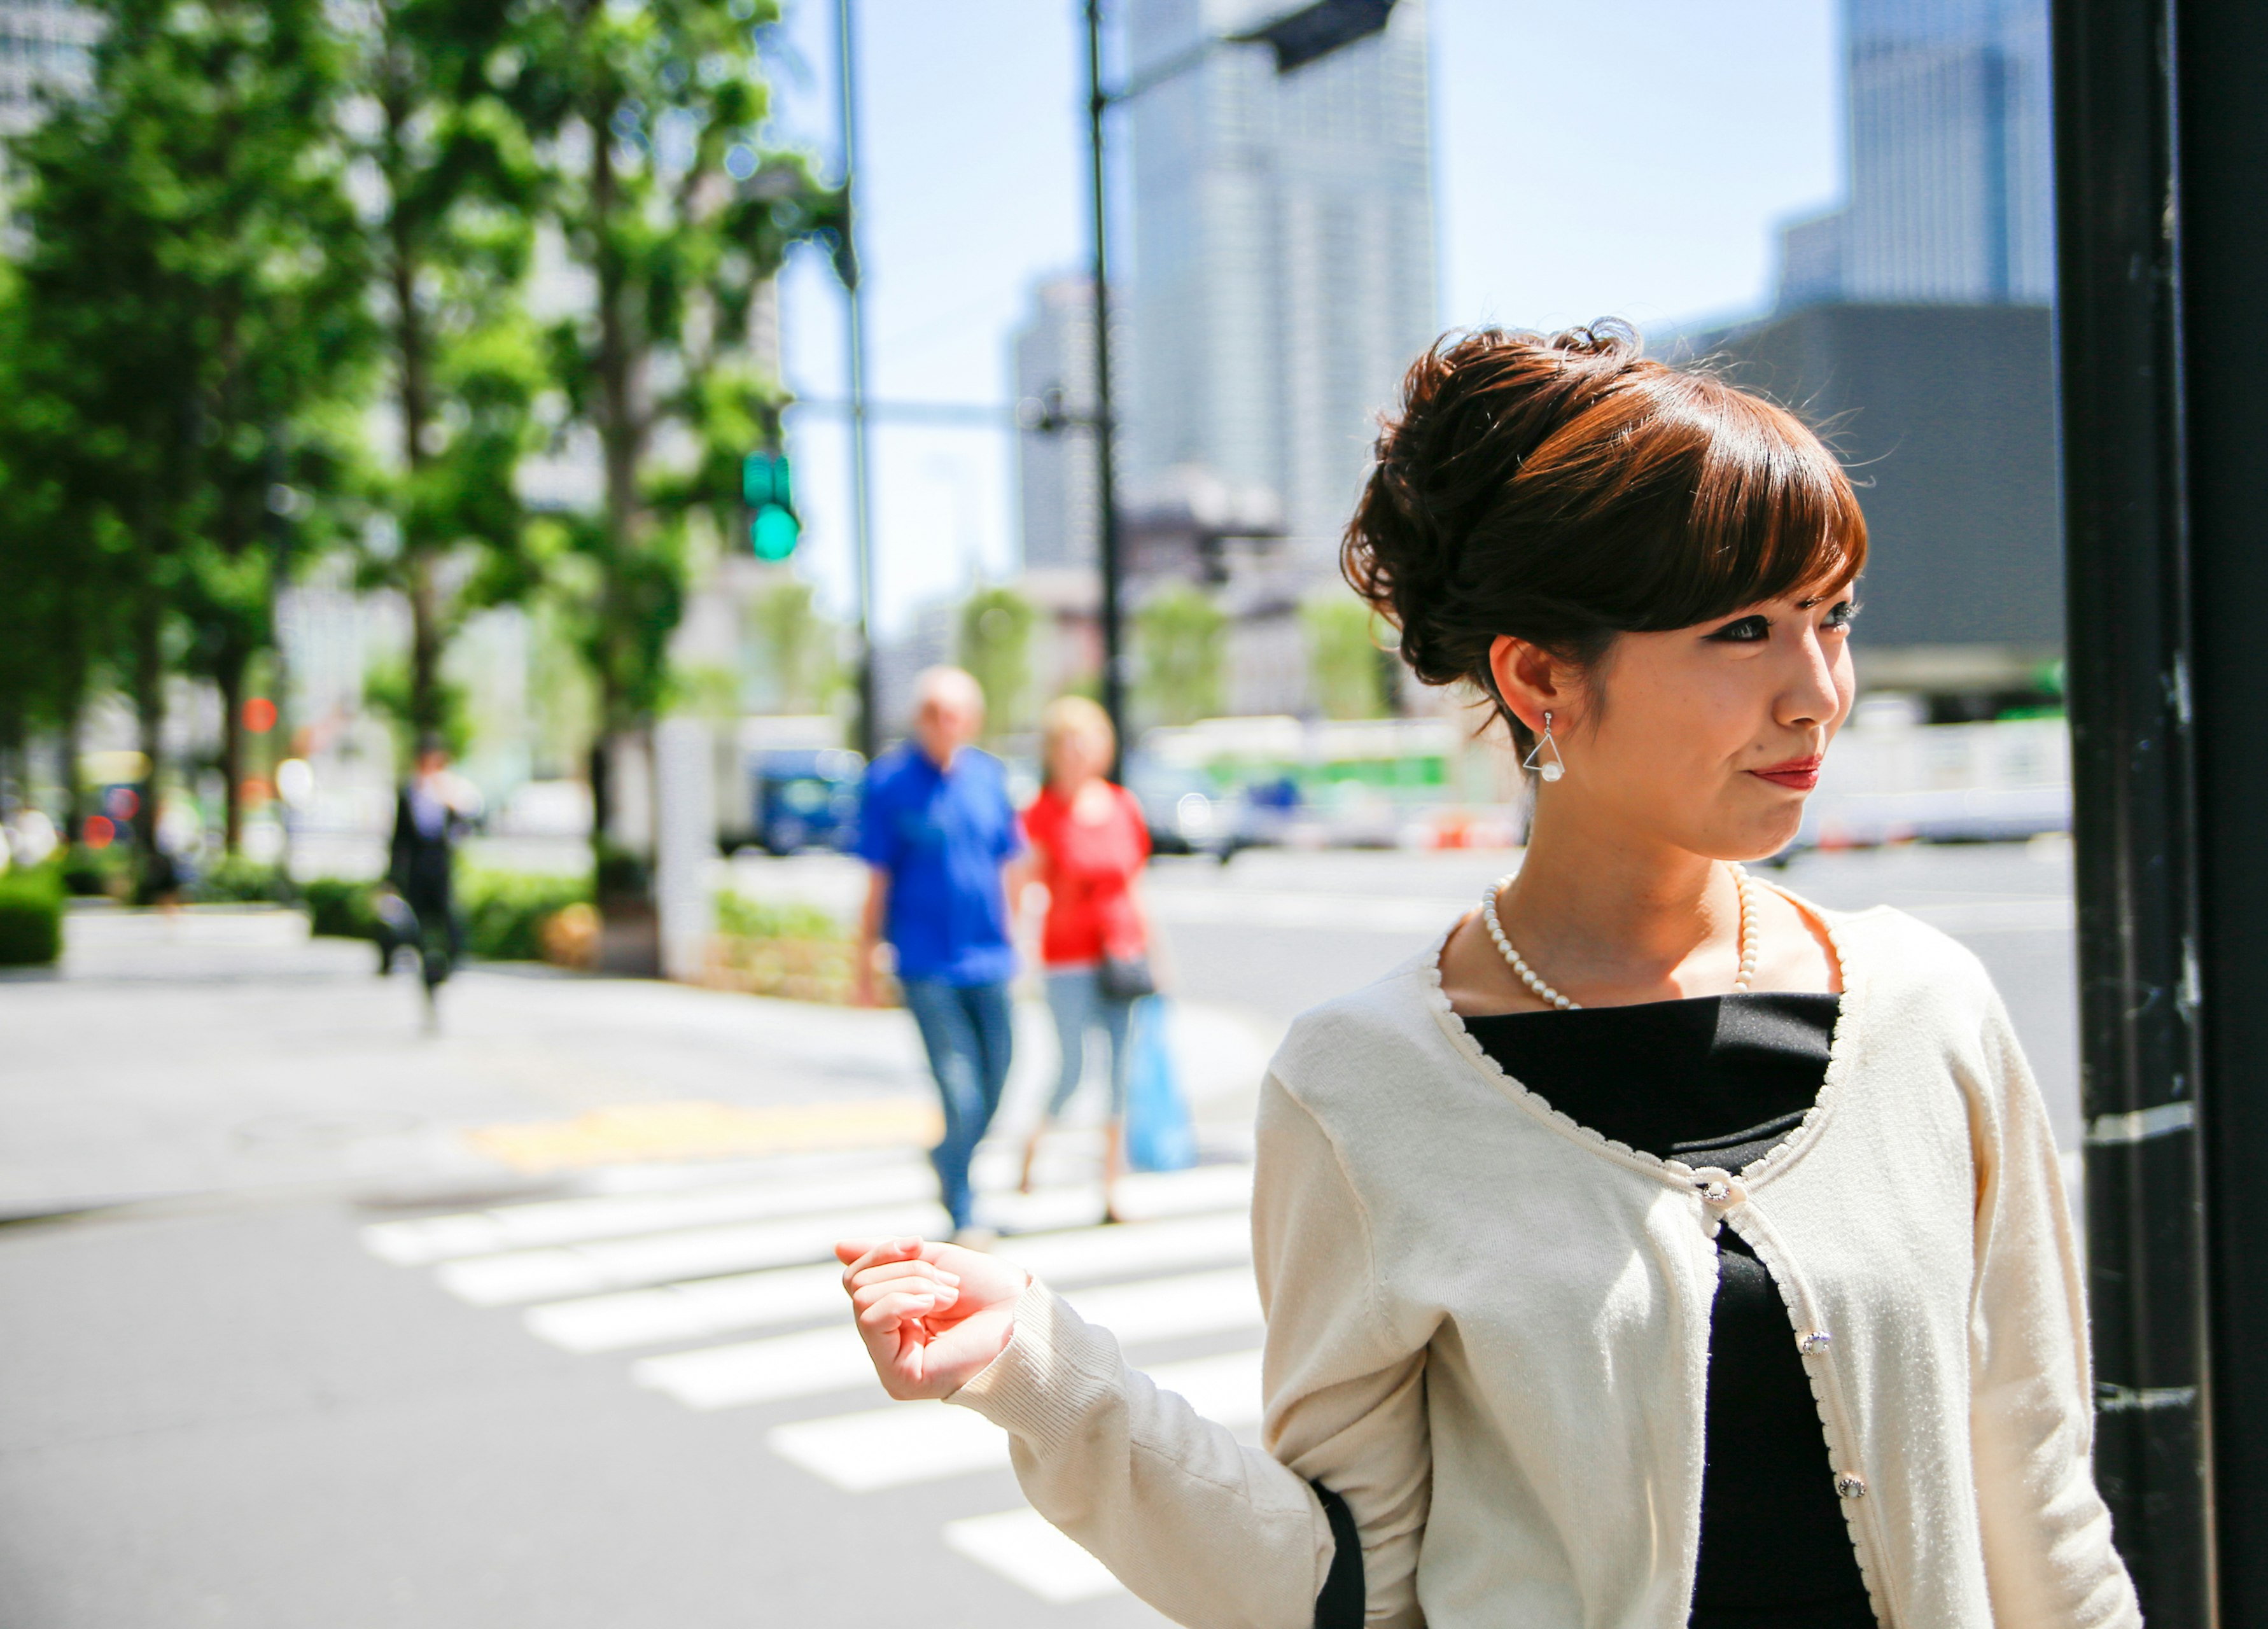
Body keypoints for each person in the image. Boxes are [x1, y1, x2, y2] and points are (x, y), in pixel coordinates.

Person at [836, 325, 2139, 1629]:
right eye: (1746, 628)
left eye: (1832, 615)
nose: (1818, 691)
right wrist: (1050, 1377)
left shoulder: (1927, 1009)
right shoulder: (1366, 1083)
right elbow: (1343, 1580)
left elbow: (2040, 1509)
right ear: (1541, 677)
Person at [855, 667, 1025, 1247]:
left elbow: (1009, 864)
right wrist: (864, 961)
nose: (941, 723)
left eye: (952, 713)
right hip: (926, 962)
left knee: (1001, 1079)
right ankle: (962, 1205)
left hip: (991, 959)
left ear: (971, 720)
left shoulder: (989, 778)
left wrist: (1019, 935)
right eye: (930, 712)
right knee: (960, 1088)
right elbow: (876, 879)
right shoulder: (888, 784)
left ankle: (947, 1160)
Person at [1013, 696, 1154, 1219]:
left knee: (1120, 1070)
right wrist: (1022, 954)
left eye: (1085, 740)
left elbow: (1137, 887)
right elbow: (1027, 888)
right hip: (1066, 955)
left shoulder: (1121, 805)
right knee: (1071, 1068)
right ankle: (1032, 1147)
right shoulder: (1042, 812)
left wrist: (1155, 954)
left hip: (1121, 952)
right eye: (1066, 742)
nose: (1076, 752)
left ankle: (1111, 1184)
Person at [387, 737, 467, 995]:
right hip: (417, 865)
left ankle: (450, 961)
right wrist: (392, 874)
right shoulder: (409, 791)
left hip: (441, 864)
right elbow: (399, 837)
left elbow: (464, 826)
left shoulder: (449, 789)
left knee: (447, 913)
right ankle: (421, 959)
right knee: (417, 916)